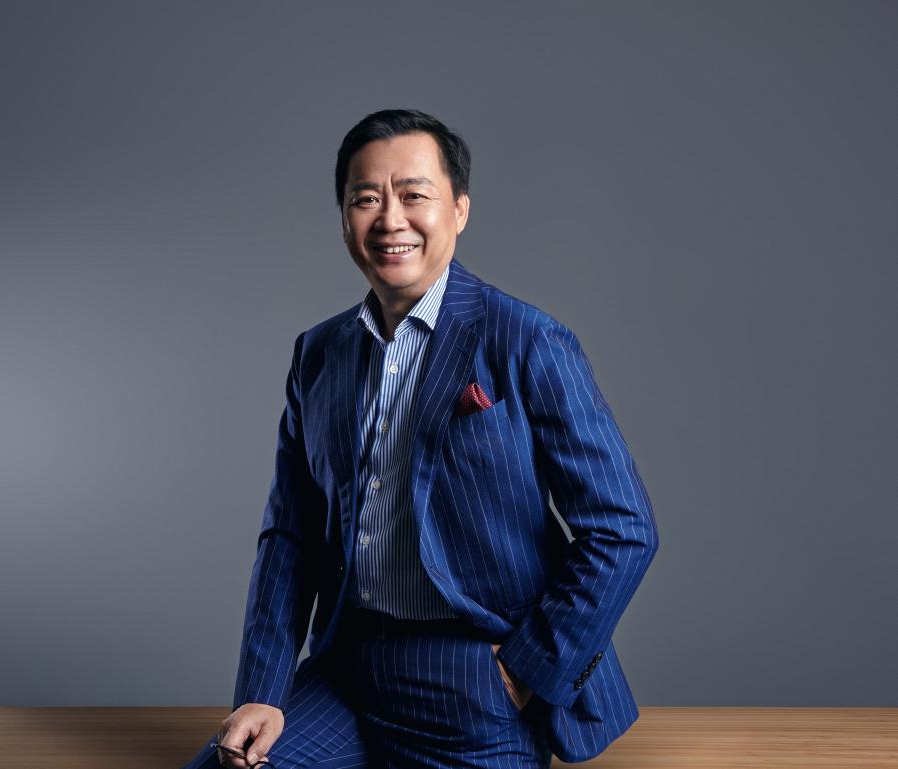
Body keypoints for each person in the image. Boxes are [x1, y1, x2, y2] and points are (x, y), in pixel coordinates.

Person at [182, 109, 659, 769]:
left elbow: (623, 527)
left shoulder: (526, 340)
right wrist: (262, 691)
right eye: (365, 199)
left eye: (413, 195)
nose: (389, 219)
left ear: (458, 210)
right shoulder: (318, 354)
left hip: (475, 681)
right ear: (344, 218)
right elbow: (290, 535)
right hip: (345, 670)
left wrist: (523, 671)